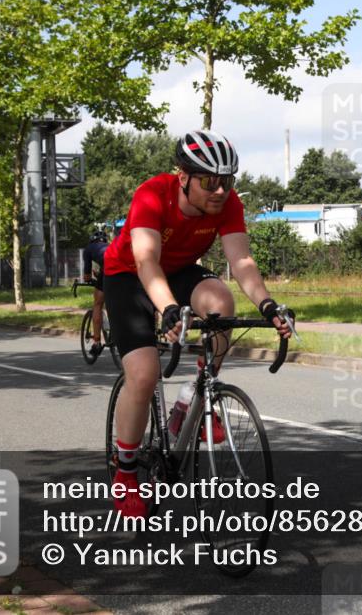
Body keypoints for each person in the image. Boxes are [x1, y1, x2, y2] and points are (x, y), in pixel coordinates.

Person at [103, 129, 292, 517]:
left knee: (221, 304)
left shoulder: (228, 203)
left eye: (227, 182)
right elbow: (146, 261)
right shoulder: (152, 194)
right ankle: (125, 470)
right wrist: (170, 309)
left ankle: (193, 396)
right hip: (129, 274)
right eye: (209, 181)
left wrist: (268, 304)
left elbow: (241, 262)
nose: (220, 191)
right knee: (143, 373)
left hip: (180, 271)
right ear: (183, 176)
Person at [82, 229, 109, 357]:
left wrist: (89, 277)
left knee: (98, 303)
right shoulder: (110, 247)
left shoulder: (89, 249)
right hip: (123, 266)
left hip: (109, 269)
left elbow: (87, 275)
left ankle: (97, 342)